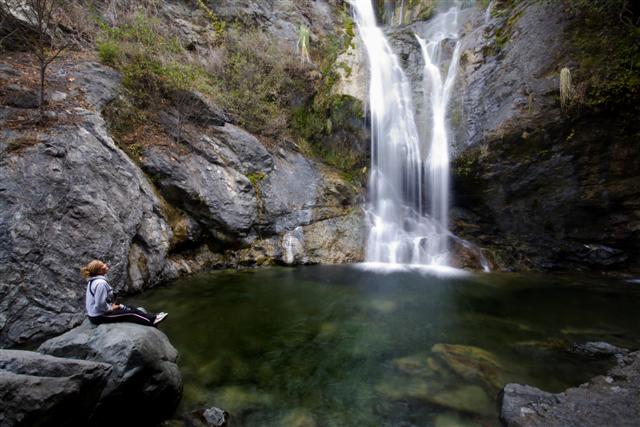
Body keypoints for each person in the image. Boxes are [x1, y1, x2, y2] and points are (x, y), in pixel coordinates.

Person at [81, 259, 168, 326]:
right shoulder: (100, 283)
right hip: (99, 316)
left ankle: (153, 317)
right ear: (99, 271)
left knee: (129, 307)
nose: (105, 264)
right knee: (130, 313)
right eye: (103, 265)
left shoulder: (93, 280)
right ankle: (152, 322)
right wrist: (111, 308)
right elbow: (99, 304)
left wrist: (113, 306)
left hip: (98, 313)